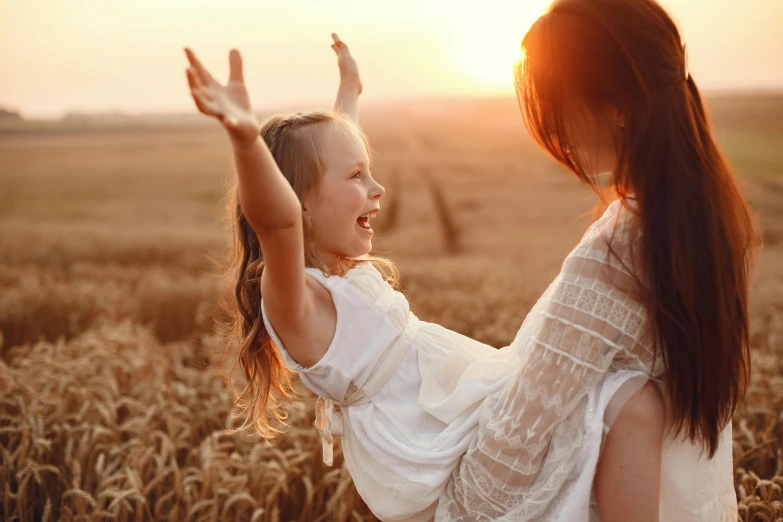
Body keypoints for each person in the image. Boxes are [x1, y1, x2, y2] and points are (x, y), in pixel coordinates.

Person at [184, 34, 663, 522]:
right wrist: (245, 138)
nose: (378, 188)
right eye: (356, 178)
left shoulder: (335, 267)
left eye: (368, 173)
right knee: (604, 406)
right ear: (301, 203)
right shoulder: (295, 301)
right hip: (421, 441)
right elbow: (278, 220)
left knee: (601, 404)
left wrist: (350, 87)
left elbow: (331, 147)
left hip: (454, 400)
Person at [436, 0, 758, 520]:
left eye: (558, 99)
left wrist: (450, 501)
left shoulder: (619, 251)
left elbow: (522, 428)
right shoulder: (706, 228)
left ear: (619, 106)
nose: (555, 125)